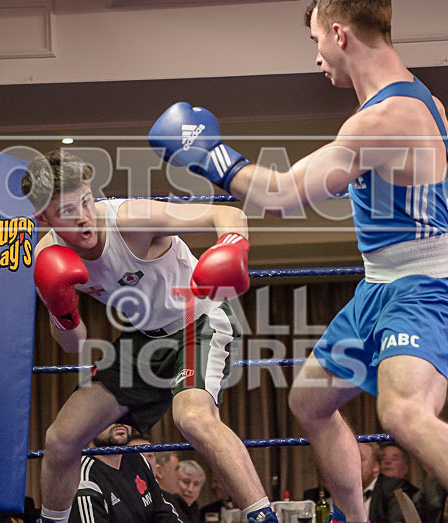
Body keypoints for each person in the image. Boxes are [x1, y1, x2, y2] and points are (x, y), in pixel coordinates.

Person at [147, 1, 448, 522]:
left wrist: (210, 155)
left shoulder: (381, 120)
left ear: (340, 35)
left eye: (316, 40)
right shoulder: (424, 101)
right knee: (310, 401)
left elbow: (278, 196)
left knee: (402, 411)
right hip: (380, 287)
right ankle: (353, 518)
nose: (317, 56)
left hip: (425, 287)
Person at [24, 150, 278, 523]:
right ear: (42, 218)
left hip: (200, 319)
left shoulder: (132, 219)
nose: (83, 217)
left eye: (86, 201)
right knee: (60, 438)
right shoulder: (48, 255)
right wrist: (62, 310)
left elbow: (226, 213)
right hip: (144, 340)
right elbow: (74, 345)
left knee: (192, 417)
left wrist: (231, 246)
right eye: (67, 211)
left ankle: (262, 517)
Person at [70, 423, 181, 523]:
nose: (120, 421)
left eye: (124, 414)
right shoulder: (85, 476)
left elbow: (162, 512)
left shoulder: (137, 458)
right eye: (110, 415)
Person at [357, 442, 423, 523]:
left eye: (360, 458)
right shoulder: (343, 492)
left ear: (376, 467)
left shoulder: (395, 487)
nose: (351, 463)